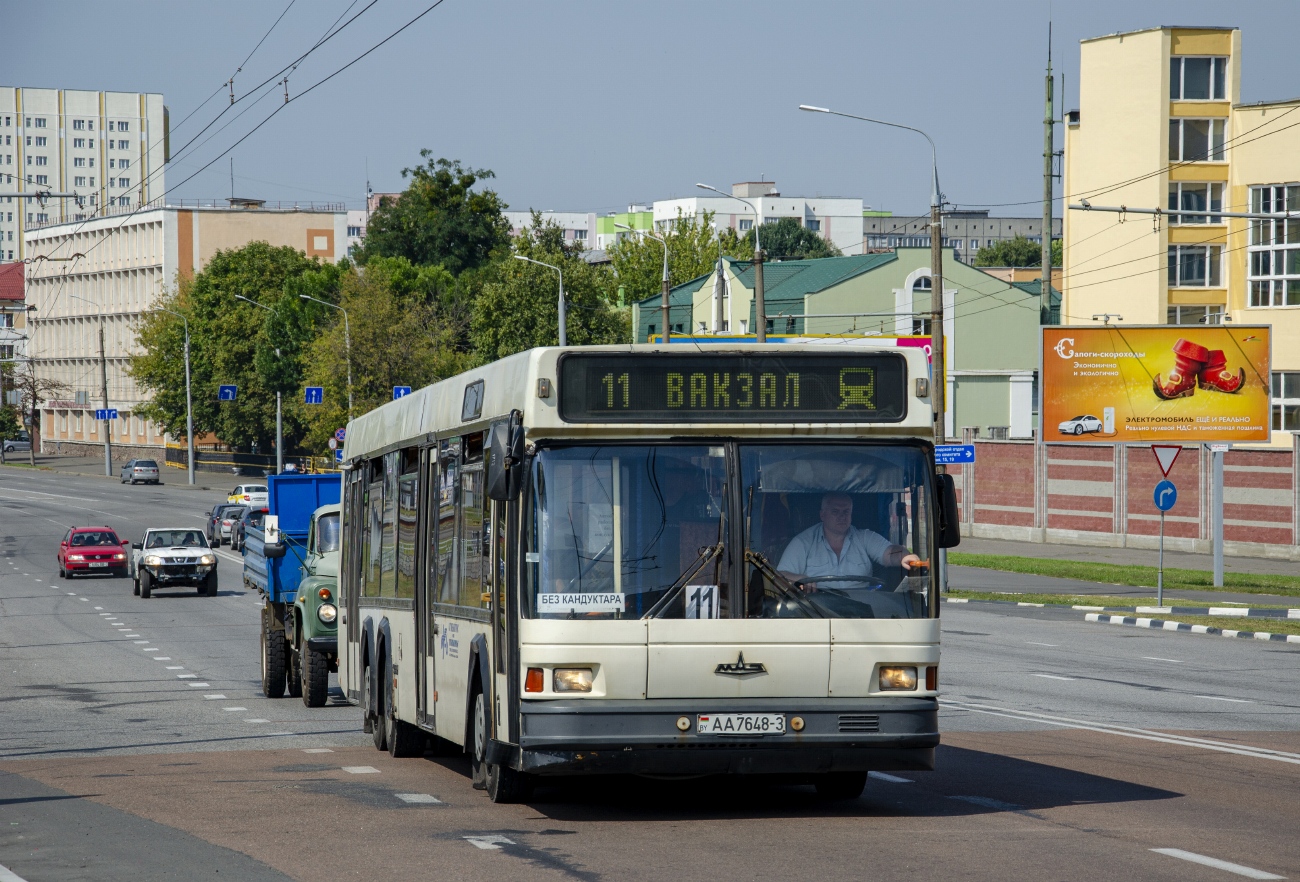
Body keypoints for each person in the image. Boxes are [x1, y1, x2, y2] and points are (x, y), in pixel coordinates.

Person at [777, 492, 920, 589]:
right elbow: (780, 575)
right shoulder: (803, 542)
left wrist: (905, 556)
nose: (842, 516)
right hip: (815, 611)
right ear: (822, 515)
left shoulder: (864, 537)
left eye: (846, 512)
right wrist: (800, 579)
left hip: (864, 610)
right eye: (835, 511)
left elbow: (889, 553)